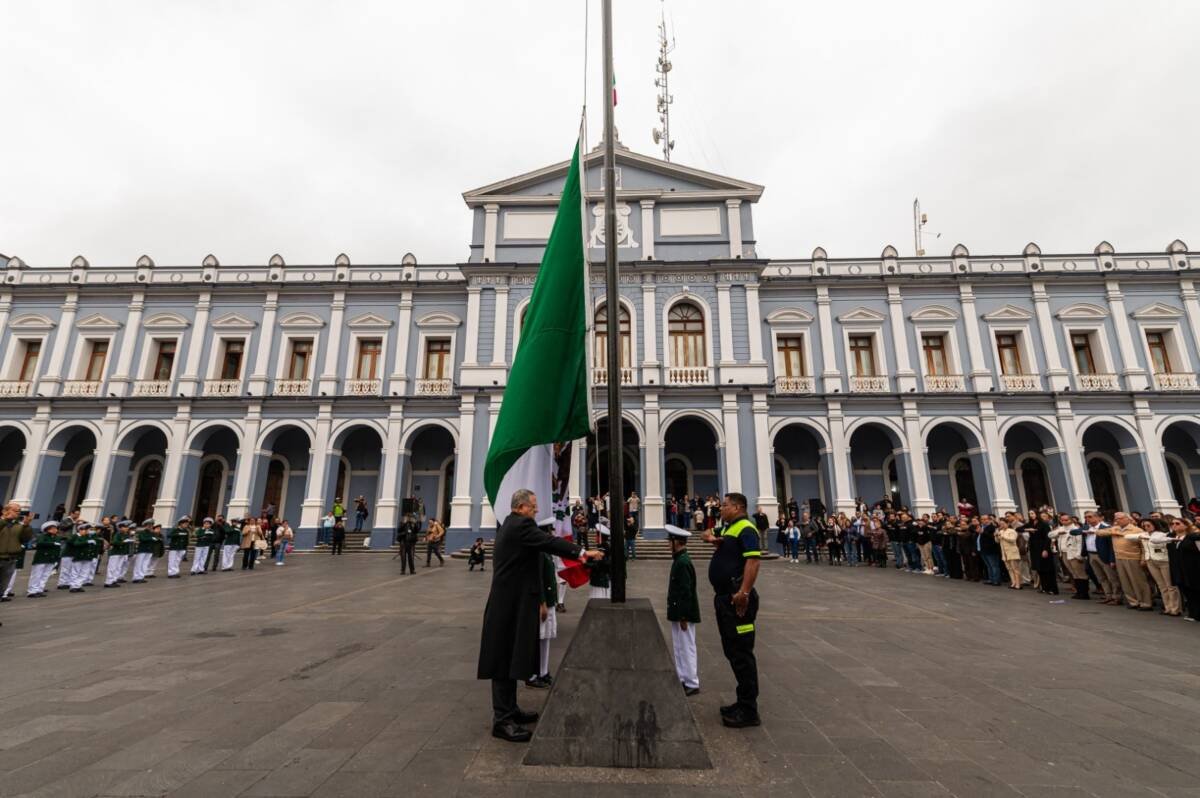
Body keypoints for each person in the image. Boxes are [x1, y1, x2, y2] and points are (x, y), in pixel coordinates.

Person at [476, 488, 599, 743]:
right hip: (507, 606)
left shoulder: (512, 524)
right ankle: (502, 721)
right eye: (533, 506)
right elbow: (549, 542)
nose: (537, 510)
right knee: (503, 660)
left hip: (510, 603)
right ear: (520, 507)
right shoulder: (521, 525)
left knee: (509, 657)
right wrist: (581, 553)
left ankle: (510, 710)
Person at [704, 491, 762, 729]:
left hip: (737, 600)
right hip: (725, 598)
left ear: (737, 508)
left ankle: (749, 710)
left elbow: (753, 561)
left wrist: (744, 593)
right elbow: (705, 533)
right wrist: (712, 539)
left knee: (742, 654)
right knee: (733, 651)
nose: (721, 509)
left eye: (725, 505)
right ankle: (742, 702)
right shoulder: (728, 528)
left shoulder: (746, 528)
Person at [666, 524, 701, 696]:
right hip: (678, 611)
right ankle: (682, 677)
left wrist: (684, 616)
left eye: (670, 541)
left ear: (677, 542)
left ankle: (692, 682)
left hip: (683, 613)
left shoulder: (683, 562)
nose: (668, 544)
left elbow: (686, 591)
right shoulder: (679, 560)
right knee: (679, 646)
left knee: (686, 647)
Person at [527, 518, 561, 689]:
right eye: (550, 531)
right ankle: (532, 674)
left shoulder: (546, 552)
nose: (552, 534)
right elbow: (537, 578)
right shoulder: (539, 552)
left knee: (546, 637)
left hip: (549, 600)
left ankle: (543, 671)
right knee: (537, 638)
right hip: (543, 602)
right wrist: (542, 603)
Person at [1108, 512, 1154, 611]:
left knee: (1138, 581)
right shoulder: (1115, 529)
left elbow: (1143, 546)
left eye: (1120, 518)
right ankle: (1133, 601)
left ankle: (1145, 603)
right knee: (1125, 581)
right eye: (1116, 519)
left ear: (1127, 519)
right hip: (1119, 558)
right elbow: (1100, 532)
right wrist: (1115, 531)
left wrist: (1143, 559)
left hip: (1133, 558)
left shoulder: (1137, 530)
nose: (1117, 520)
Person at [0, 504, 35, 617]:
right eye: (15, 510)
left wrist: (26, 525)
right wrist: (5, 520)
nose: (18, 513)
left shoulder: (18, 525)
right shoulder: (2, 522)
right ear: (5, 511)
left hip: (10, 560)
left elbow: (26, 538)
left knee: (2, 589)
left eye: (19, 511)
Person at [26, 520, 62, 598]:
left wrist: (56, 559)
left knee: (45, 575)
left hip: (51, 559)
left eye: (55, 528)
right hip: (41, 558)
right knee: (37, 575)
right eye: (52, 528)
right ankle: (32, 591)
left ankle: (39, 589)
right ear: (47, 529)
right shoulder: (42, 536)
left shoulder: (57, 537)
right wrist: (52, 544)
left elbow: (58, 549)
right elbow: (39, 544)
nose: (55, 530)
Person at [104, 520, 134, 587]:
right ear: (120, 528)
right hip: (115, 553)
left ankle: (114, 580)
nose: (126, 528)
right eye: (125, 527)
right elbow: (114, 542)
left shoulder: (126, 535)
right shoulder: (117, 534)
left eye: (127, 527)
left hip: (122, 553)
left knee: (118, 567)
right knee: (112, 567)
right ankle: (108, 582)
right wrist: (123, 542)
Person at [588, 524, 612, 599]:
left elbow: (598, 565)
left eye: (596, 535)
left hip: (600, 580)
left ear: (600, 537)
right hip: (600, 580)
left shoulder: (602, 550)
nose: (595, 537)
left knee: (598, 600)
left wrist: (586, 564)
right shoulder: (605, 547)